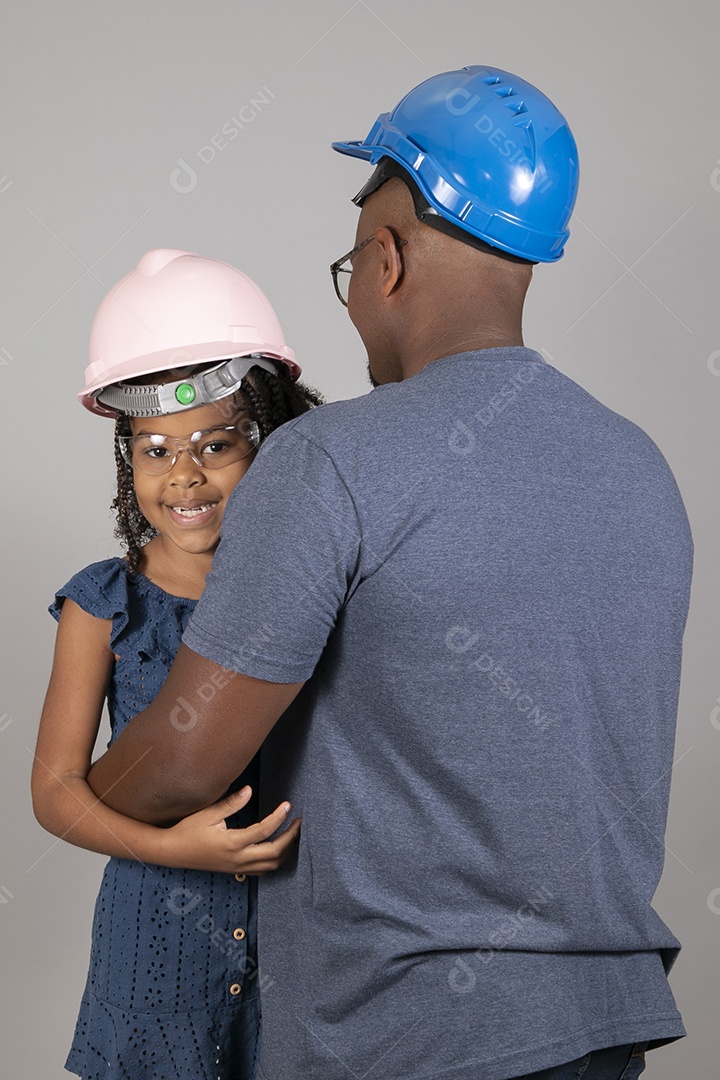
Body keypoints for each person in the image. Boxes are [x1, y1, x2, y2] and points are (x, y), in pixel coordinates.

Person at [84, 68, 693, 1080]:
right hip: (602, 1028)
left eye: (351, 262)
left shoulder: (329, 460)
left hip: (400, 1038)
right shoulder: (639, 466)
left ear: (387, 257)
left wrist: (80, 791)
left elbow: (189, 759)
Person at [31, 248, 322, 1080]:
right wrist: (176, 852)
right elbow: (55, 792)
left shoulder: (315, 593)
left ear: (267, 442)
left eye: (216, 444)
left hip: (300, 958)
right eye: (154, 449)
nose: (184, 474)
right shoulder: (102, 605)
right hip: (151, 952)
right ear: (127, 462)